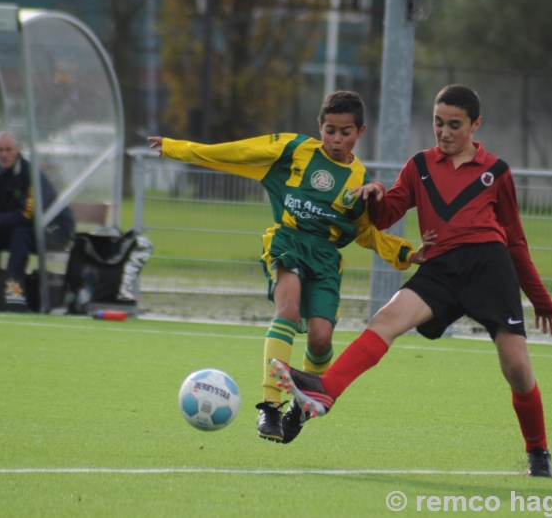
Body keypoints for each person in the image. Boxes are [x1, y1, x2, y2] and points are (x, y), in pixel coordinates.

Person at [270, 84, 552, 477]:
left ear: (476, 125)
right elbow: (385, 216)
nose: (444, 132)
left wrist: (541, 300)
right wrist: (375, 195)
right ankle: (325, 391)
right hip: (440, 269)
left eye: (454, 125)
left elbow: (515, 242)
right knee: (384, 321)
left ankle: (538, 451)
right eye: (438, 123)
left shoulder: (497, 172)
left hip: (489, 267)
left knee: (516, 367)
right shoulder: (419, 166)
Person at [149, 90, 428, 444]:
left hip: (325, 258)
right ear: (319, 127)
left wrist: (405, 253)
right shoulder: (294, 149)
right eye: (329, 130)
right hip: (288, 242)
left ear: (361, 132)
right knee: (288, 308)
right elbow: (238, 152)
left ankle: (302, 404)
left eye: (345, 132)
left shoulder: (359, 180)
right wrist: (177, 147)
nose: (336, 139)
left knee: (321, 337)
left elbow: (367, 234)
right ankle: (270, 405)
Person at [0, 132, 75, 310]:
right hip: (21, 229)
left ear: (17, 150)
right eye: (0, 150)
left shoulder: (31, 175)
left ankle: (11, 293)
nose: (4, 154)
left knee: (20, 234)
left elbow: (25, 217)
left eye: (9, 149)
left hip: (53, 230)